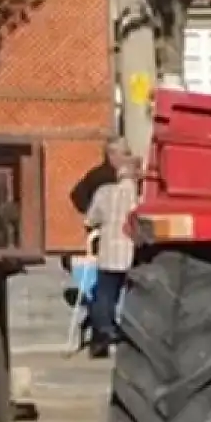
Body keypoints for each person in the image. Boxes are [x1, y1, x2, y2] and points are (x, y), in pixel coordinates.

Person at [83, 140, 139, 359]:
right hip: (132, 251)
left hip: (109, 251)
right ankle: (128, 331)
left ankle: (106, 329)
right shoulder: (138, 195)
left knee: (104, 293)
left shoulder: (104, 193)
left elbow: (90, 219)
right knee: (131, 294)